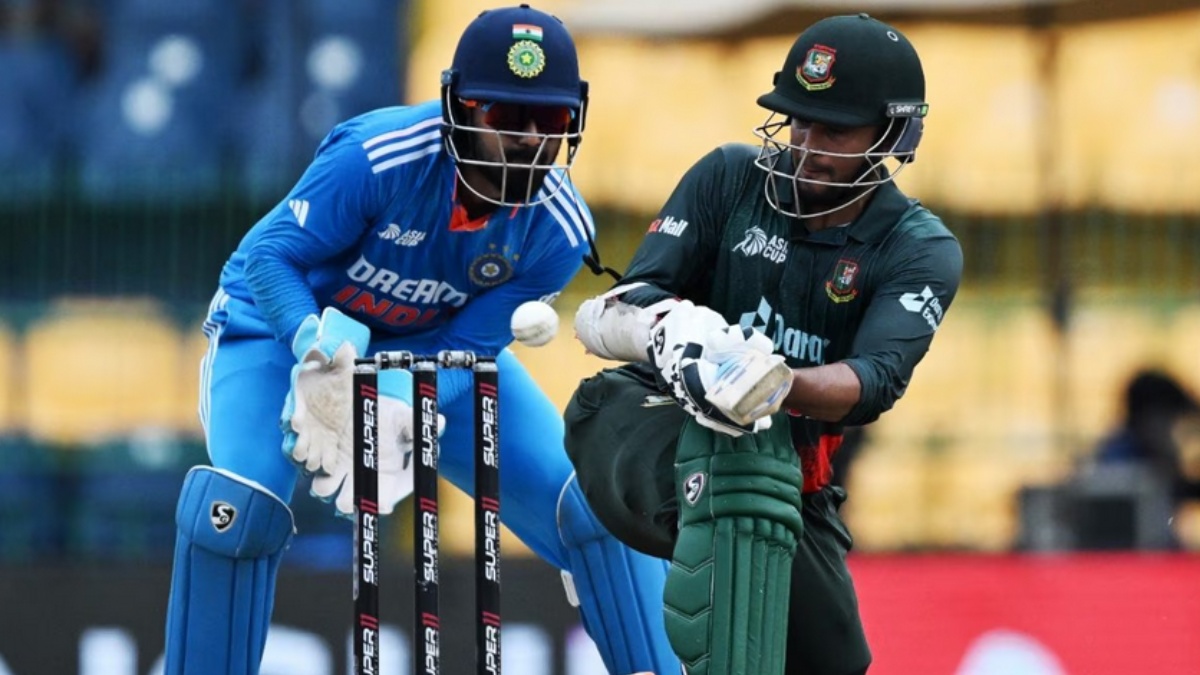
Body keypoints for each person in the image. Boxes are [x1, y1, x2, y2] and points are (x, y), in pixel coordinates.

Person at [163, 6, 678, 675]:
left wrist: (406, 401)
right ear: (458, 106)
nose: (528, 141)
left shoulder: (558, 230)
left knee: (597, 510)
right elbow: (267, 257)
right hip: (283, 327)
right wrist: (315, 350)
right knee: (236, 512)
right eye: (505, 116)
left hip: (435, 349)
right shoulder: (377, 157)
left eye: (550, 120)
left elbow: (473, 345)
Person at [567, 13, 962, 675]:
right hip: (645, 424)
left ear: (892, 136)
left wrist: (765, 381)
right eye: (798, 121)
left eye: (833, 130)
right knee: (733, 487)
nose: (805, 145)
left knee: (837, 662)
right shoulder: (730, 177)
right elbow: (627, 302)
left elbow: (873, 380)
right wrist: (680, 338)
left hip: (789, 480)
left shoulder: (919, 248)